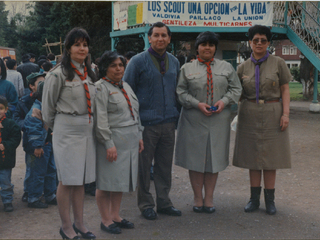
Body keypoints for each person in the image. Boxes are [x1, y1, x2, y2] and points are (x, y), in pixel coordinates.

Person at [175, 31, 242, 213]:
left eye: (211, 45)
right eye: (204, 44)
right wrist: (197, 104)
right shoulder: (186, 69)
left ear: (215, 48)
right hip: (194, 119)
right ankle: (197, 198)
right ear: (197, 47)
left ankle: (209, 198)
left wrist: (224, 101)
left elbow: (236, 89)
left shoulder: (226, 68)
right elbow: (180, 93)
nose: (207, 48)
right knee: (195, 159)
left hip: (218, 120)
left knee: (214, 159)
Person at [123, 22, 181, 220]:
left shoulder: (174, 62)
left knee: (164, 166)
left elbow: (176, 90)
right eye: (156, 35)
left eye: (164, 35)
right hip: (146, 124)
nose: (160, 39)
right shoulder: (137, 62)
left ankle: (164, 202)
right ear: (149, 38)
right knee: (143, 167)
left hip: (168, 123)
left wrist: (176, 116)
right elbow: (127, 91)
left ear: (169, 38)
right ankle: (146, 204)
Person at [42, 27, 96, 240]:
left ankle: (80, 223)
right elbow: (47, 110)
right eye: (77, 44)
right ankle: (66, 227)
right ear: (68, 48)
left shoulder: (90, 71)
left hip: (86, 130)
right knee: (66, 180)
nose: (82, 48)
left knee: (80, 180)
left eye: (84, 44)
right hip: (66, 130)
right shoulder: (57, 74)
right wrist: (60, 130)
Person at [233, 25, 292, 215]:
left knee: (271, 159)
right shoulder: (242, 67)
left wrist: (286, 114)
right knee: (253, 158)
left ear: (268, 42)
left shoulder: (279, 63)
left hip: (273, 112)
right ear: (250, 42)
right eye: (255, 40)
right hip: (249, 113)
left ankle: (270, 201)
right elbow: (237, 94)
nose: (259, 43)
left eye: (263, 40)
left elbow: (284, 89)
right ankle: (253, 200)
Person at [94, 51, 144, 234]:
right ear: (104, 68)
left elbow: (135, 114)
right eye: (113, 65)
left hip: (129, 140)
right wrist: (108, 144)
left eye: (121, 65)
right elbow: (100, 119)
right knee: (106, 181)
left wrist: (139, 135)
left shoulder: (126, 86)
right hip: (112, 142)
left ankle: (115, 215)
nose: (118, 69)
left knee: (120, 180)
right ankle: (105, 219)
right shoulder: (100, 88)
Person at [22, 81, 57, 208]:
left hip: (48, 144)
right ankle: (33, 197)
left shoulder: (48, 107)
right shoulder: (36, 109)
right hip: (38, 147)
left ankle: (50, 194)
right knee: (37, 172)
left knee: (51, 170)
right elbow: (33, 129)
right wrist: (37, 146)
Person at [14, 72, 46, 203]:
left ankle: (42, 191)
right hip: (31, 142)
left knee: (45, 168)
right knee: (31, 168)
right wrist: (27, 126)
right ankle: (28, 191)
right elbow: (17, 119)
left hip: (44, 140)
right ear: (32, 86)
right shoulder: (24, 101)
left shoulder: (47, 98)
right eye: (40, 82)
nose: (44, 84)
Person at [0, 96, 21, 212]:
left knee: (5, 182)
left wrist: (6, 145)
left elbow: (16, 137)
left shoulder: (11, 123)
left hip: (5, 160)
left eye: (1, 108)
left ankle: (7, 201)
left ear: (6, 110)